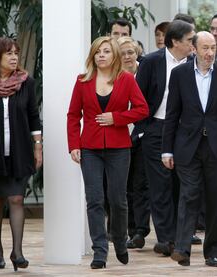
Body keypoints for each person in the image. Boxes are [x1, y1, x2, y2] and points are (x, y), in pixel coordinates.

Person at [162, 31, 217, 267]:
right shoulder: (179, 74)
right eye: (205, 48)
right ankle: (182, 248)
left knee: (216, 199)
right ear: (194, 49)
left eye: (213, 48)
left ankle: (213, 252)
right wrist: (166, 150)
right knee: (189, 195)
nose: (210, 53)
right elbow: (172, 114)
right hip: (187, 146)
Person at [67, 36, 149, 269]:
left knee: (117, 199)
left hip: (119, 147)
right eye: (97, 52)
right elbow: (73, 115)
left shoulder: (127, 80)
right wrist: (74, 144)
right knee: (94, 200)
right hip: (90, 148)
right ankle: (100, 251)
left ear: (114, 55)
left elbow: (143, 109)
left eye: (106, 51)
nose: (101, 55)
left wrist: (117, 118)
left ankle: (120, 243)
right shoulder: (82, 81)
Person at [136, 20, 195, 256]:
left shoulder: (194, 63)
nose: (194, 44)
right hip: (155, 131)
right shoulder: (151, 61)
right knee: (160, 186)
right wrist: (143, 130)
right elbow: (138, 97)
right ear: (175, 41)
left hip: (185, 131)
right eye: (190, 40)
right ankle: (166, 238)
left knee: (182, 186)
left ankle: (182, 237)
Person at [0, 37, 42, 271]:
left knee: (16, 198)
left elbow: (34, 116)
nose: (15, 57)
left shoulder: (26, 82)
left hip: (19, 151)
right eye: (9, 53)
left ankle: (18, 252)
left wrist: (38, 145)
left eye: (16, 53)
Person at [117, 36, 150, 249]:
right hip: (119, 136)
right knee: (123, 186)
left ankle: (140, 230)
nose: (128, 57)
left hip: (143, 135)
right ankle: (128, 230)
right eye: (123, 53)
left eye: (131, 52)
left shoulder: (146, 71)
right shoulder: (113, 76)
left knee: (140, 185)